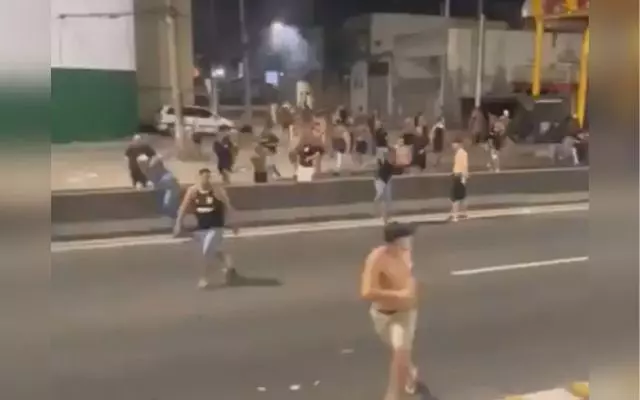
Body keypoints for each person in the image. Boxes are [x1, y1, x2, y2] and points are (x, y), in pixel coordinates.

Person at [360, 222, 422, 400]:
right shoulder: (377, 258)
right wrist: (399, 294)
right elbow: (366, 291)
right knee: (400, 353)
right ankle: (411, 371)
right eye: (407, 237)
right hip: (383, 315)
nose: (411, 240)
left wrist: (411, 289)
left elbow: (408, 275)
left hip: (406, 313)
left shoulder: (406, 253)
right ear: (396, 241)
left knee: (400, 351)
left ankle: (394, 396)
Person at [173, 168, 239, 289]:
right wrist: (178, 224)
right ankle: (230, 266)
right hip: (202, 228)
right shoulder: (193, 191)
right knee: (212, 251)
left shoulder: (217, 191)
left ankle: (204, 278)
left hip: (216, 227)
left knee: (207, 250)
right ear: (198, 177)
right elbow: (183, 208)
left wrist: (234, 224)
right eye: (204, 177)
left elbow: (229, 207)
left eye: (208, 177)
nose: (206, 180)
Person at [137, 153, 180, 221]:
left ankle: (176, 219)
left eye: (144, 162)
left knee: (168, 205)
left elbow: (159, 157)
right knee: (165, 206)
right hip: (164, 187)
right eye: (140, 164)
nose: (142, 165)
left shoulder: (152, 165)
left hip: (171, 185)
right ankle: (173, 220)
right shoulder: (145, 171)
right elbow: (152, 182)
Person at [374, 150, 398, 223]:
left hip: (386, 181)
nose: (394, 158)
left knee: (387, 200)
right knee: (383, 199)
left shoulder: (391, 164)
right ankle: (384, 218)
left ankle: (385, 216)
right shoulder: (387, 163)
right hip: (380, 181)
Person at [449, 138, 469, 222]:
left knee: (455, 197)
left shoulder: (462, 153)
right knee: (462, 197)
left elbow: (464, 166)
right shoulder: (459, 153)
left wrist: (463, 177)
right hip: (457, 176)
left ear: (459, 144)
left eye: (454, 144)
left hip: (459, 176)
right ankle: (464, 214)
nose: (452, 146)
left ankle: (455, 215)